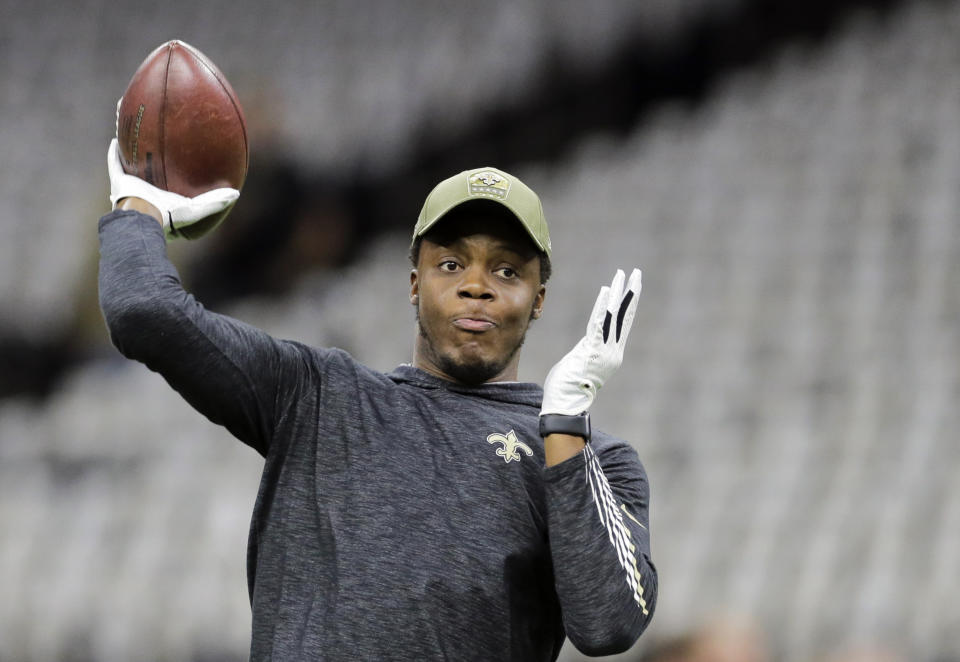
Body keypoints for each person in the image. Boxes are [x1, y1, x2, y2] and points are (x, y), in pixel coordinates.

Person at [99, 136, 657, 660]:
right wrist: (138, 204)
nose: (477, 285)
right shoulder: (317, 395)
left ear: (537, 300)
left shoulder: (594, 460)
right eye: (451, 263)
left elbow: (607, 624)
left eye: (507, 270)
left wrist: (564, 422)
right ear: (414, 283)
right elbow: (143, 310)